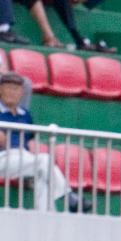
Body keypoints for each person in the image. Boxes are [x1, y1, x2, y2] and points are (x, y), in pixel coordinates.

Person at [0, 71, 89, 212]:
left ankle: (47, 218)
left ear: (22, 93)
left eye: (16, 89)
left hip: (23, 157)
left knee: (42, 178)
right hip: (3, 157)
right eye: (8, 88)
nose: (12, 92)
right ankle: (68, 196)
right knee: (44, 160)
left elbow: (27, 139)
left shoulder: (26, 115)